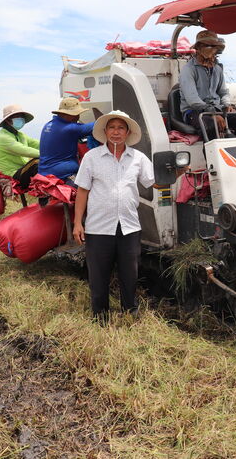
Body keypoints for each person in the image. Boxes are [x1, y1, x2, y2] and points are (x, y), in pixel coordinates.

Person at [72, 110, 154, 321]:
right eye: (112, 127)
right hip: (99, 227)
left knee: (130, 274)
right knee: (98, 276)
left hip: (129, 226)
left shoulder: (138, 158)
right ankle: (100, 316)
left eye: (120, 128)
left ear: (127, 132)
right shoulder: (92, 157)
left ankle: (130, 312)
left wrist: (177, 173)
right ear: (105, 131)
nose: (116, 132)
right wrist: (77, 223)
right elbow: (82, 191)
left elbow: (154, 182)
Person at [179, 30, 236, 140]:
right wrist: (213, 114)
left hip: (218, 109)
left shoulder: (217, 69)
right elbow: (193, 101)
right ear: (199, 48)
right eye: (210, 47)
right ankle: (210, 155)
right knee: (211, 126)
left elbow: (223, 92)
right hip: (194, 112)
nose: (214, 51)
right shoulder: (188, 70)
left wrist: (227, 105)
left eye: (215, 47)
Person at [38, 97, 95, 184]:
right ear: (68, 115)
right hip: (62, 174)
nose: (78, 117)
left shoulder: (48, 125)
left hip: (44, 172)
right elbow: (95, 125)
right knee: (88, 190)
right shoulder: (69, 128)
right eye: (76, 114)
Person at [0, 104, 40, 189]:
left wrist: (53, 146)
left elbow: (37, 143)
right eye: (17, 117)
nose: (21, 119)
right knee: (37, 162)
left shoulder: (20, 135)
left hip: (21, 169)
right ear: (8, 120)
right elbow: (25, 150)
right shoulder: (3, 137)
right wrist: (50, 154)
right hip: (12, 173)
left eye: (22, 117)